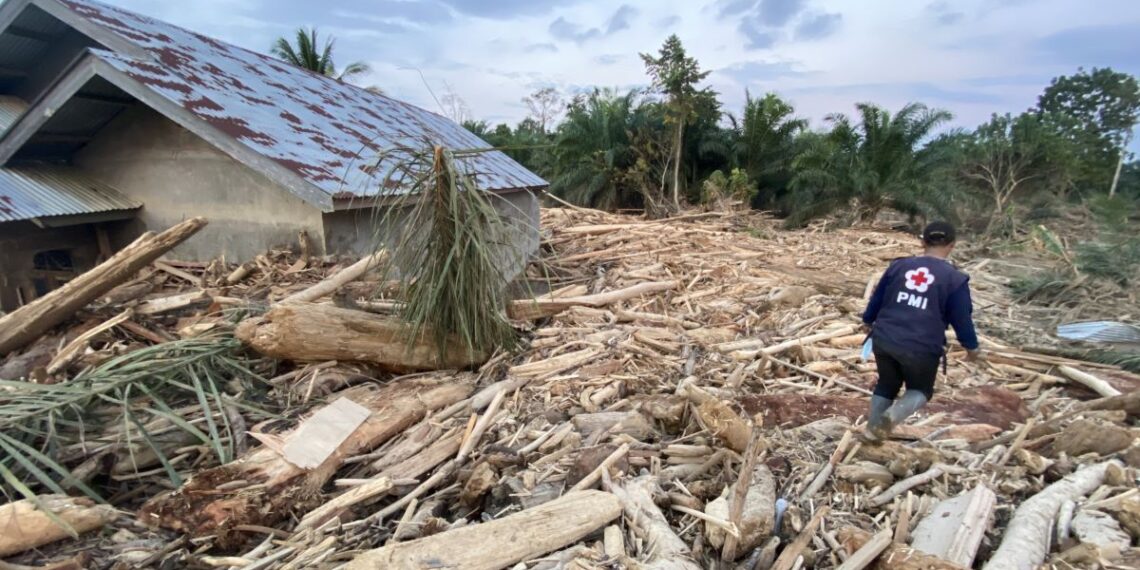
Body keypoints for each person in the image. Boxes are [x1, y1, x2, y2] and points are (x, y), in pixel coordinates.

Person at [859, 221, 981, 444]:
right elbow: (962, 318)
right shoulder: (955, 279)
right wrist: (971, 347)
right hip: (921, 346)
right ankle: (891, 417)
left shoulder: (899, 266)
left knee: (886, 384)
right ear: (952, 245)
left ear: (922, 241)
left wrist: (868, 320)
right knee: (919, 390)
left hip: (885, 338)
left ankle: (872, 430)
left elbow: (878, 297)